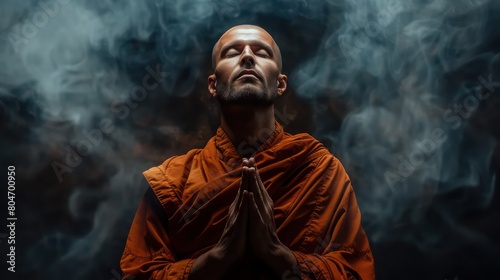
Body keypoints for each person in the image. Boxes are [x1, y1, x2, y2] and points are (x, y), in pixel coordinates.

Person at [120, 24, 375, 280]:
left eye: (262, 53)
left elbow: (355, 272)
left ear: (280, 84)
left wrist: (276, 253)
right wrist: (218, 257)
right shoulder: (171, 181)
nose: (247, 56)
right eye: (232, 53)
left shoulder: (320, 171)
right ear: (213, 84)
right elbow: (138, 274)